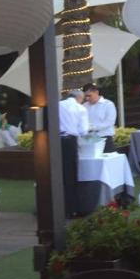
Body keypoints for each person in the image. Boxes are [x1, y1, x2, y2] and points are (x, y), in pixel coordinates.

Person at [57, 89, 88, 217]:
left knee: (59, 173)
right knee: (70, 174)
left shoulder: (58, 105)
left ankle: (58, 206)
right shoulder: (80, 109)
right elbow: (83, 130)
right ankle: (70, 209)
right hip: (70, 141)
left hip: (56, 141)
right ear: (79, 98)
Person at [82, 83, 117, 149]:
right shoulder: (84, 106)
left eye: (89, 96)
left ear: (96, 92)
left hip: (105, 138)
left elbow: (109, 122)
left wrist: (92, 128)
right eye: (85, 96)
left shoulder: (108, 104)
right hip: (89, 138)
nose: (87, 98)